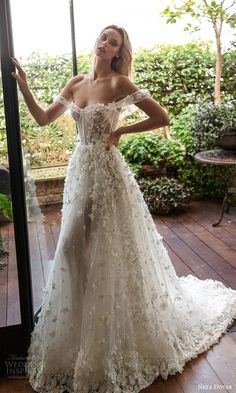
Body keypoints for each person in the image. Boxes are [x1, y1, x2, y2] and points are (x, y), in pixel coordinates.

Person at [11, 25, 236, 393]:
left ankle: (113, 336)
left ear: (118, 52)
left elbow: (161, 117)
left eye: (113, 42)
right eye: (103, 37)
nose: (105, 43)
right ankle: (82, 334)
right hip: (80, 172)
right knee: (73, 250)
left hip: (108, 175)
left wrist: (122, 131)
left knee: (107, 252)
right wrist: (24, 88)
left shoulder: (120, 84)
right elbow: (42, 119)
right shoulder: (75, 82)